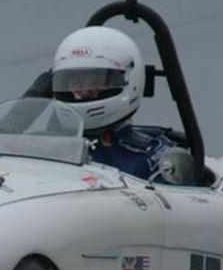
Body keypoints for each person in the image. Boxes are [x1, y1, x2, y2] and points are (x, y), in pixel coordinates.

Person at [23, 25, 182, 181]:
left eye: (95, 81)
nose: (84, 91)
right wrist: (34, 96)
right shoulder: (42, 147)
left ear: (129, 80)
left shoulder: (155, 158)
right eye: (77, 81)